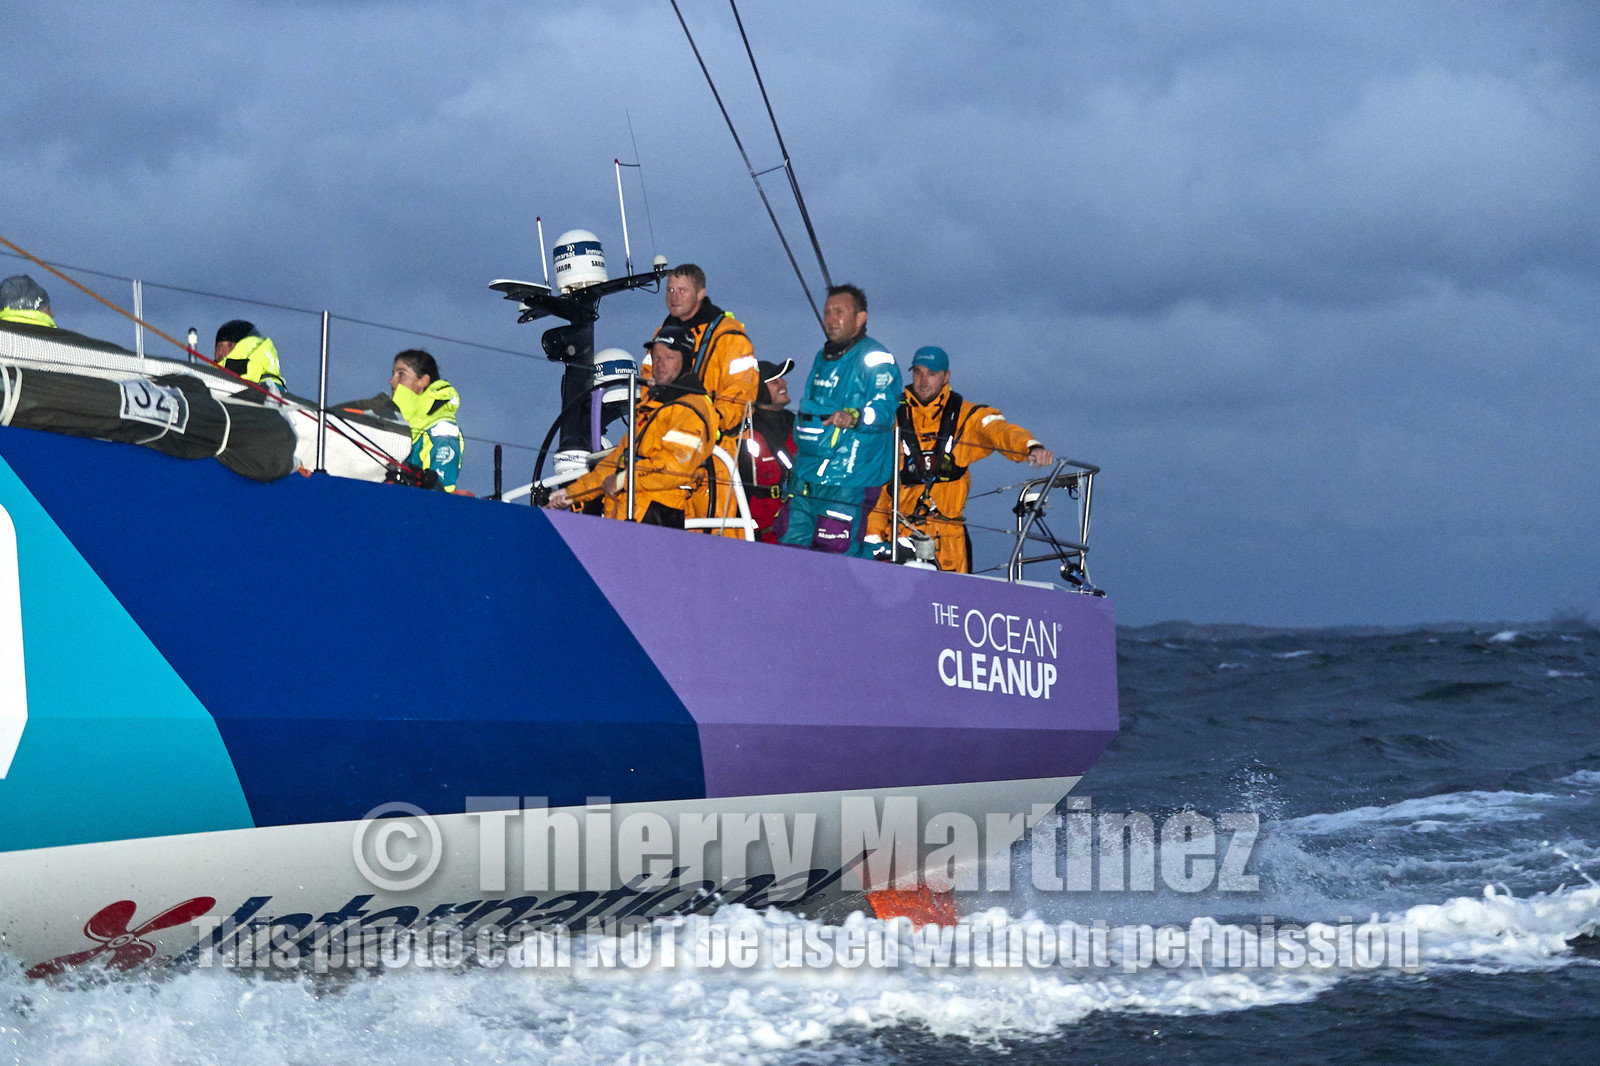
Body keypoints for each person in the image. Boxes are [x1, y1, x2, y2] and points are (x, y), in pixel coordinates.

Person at [865, 345, 1055, 573]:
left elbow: (999, 431)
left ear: (946, 376)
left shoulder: (967, 417)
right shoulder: (891, 415)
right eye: (918, 372)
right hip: (898, 539)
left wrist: (1030, 447)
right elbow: (877, 485)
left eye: (932, 374)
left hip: (949, 546)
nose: (923, 381)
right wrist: (873, 537)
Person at [549, 325, 714, 526]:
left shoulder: (691, 408)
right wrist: (571, 494)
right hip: (627, 515)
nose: (660, 364)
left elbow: (674, 467)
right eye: (657, 357)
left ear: (686, 361)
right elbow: (616, 461)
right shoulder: (653, 409)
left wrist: (622, 480)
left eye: (669, 357)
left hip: (659, 517)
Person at [779, 284, 901, 555]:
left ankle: (888, 554)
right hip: (808, 474)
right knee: (790, 545)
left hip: (850, 478)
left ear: (860, 318)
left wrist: (854, 416)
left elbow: (885, 408)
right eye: (827, 313)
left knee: (836, 551)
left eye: (839, 312)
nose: (831, 319)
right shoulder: (821, 357)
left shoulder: (875, 358)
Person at [651, 264, 758, 536]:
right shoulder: (660, 338)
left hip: (719, 454)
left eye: (682, 290)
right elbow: (648, 391)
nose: (674, 297)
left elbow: (741, 393)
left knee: (720, 535)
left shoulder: (730, 336)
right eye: (670, 290)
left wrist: (707, 426)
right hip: (671, 453)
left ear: (701, 293)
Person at [738, 358, 797, 543]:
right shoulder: (743, 433)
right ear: (759, 391)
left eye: (782, 378)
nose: (784, 383)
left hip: (796, 528)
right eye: (775, 381)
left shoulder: (797, 425)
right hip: (759, 534)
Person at [389, 348, 464, 493]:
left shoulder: (442, 428)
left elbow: (441, 488)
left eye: (401, 374)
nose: (392, 381)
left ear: (423, 381)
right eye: (393, 374)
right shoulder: (395, 420)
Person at [213, 320, 286, 391]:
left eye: (221, 346)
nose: (217, 354)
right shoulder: (275, 388)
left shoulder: (270, 390)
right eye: (217, 347)